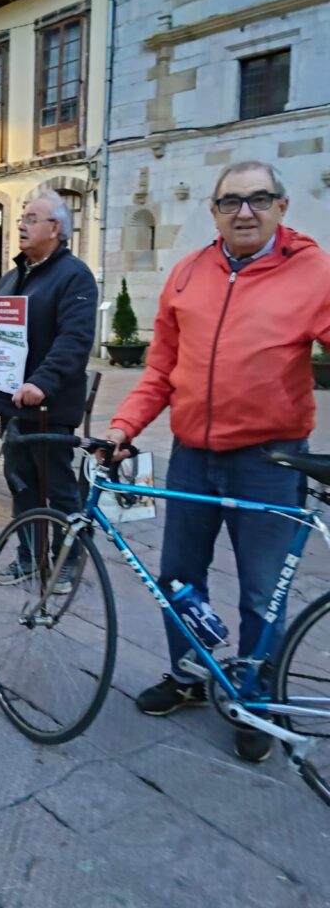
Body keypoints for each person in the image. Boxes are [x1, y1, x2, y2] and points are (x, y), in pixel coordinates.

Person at [106, 159, 330, 764]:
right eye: (231, 201)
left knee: (262, 591)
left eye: (259, 199)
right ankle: (189, 675)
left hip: (270, 462)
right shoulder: (187, 273)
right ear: (214, 211)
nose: (244, 212)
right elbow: (160, 370)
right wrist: (124, 426)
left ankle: (257, 699)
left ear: (282, 206)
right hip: (192, 458)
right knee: (179, 579)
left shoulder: (314, 271)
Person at [0, 189, 98, 593]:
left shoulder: (74, 276)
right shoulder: (12, 277)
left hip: (49, 407)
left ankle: (67, 559)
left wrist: (42, 382)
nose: (21, 225)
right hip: (12, 404)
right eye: (21, 218)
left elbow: (74, 340)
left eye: (30, 218)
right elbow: (4, 334)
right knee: (21, 484)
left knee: (58, 488)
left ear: (55, 228)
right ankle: (28, 555)